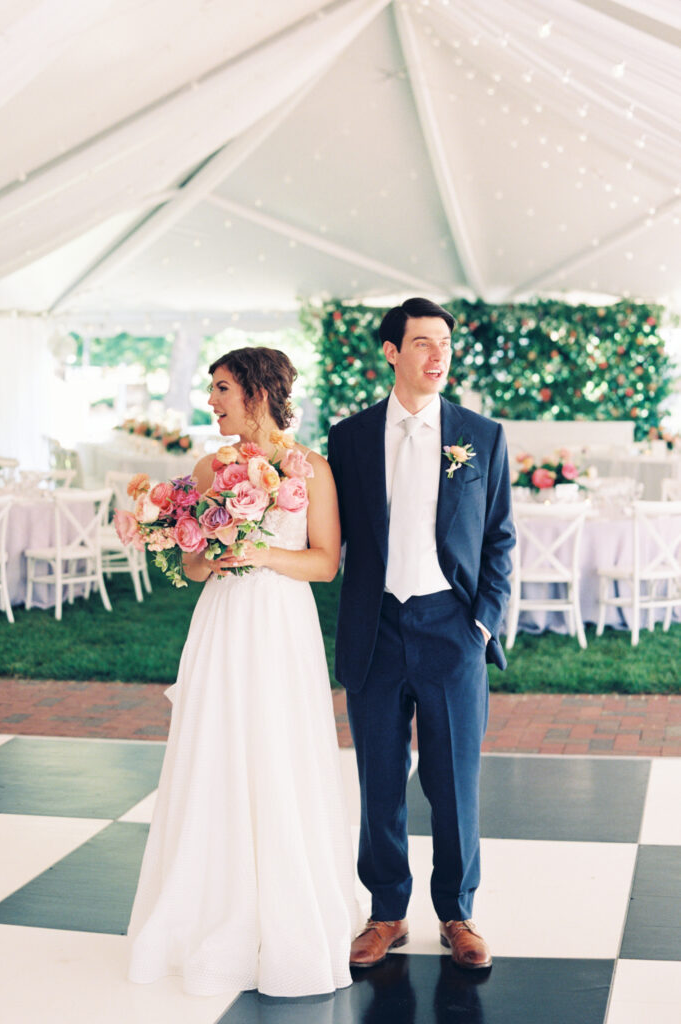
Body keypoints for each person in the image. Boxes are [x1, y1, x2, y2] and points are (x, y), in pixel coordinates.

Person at [127, 346, 360, 998]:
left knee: (278, 751)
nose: (212, 401)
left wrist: (259, 549)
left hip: (281, 624)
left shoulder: (309, 468)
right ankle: (211, 905)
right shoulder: (208, 467)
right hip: (225, 622)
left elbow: (323, 562)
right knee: (218, 752)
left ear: (257, 390)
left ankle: (289, 911)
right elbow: (196, 565)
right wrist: (214, 550)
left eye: (222, 388)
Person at [327, 298, 515, 971]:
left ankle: (458, 913)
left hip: (450, 630)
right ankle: (386, 913)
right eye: (422, 343)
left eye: (445, 344)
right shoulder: (348, 438)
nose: (438, 356)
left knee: (454, 780)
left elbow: (499, 540)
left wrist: (480, 622)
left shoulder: (481, 436)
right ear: (391, 352)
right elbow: (329, 533)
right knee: (379, 777)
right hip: (375, 630)